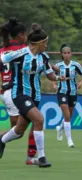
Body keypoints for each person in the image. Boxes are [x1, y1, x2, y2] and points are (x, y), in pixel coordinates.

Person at [0, 23, 65, 168]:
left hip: (35, 97)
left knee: (19, 130)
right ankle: (41, 157)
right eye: (45, 43)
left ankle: (2, 140)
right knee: (39, 119)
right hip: (20, 94)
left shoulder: (44, 58)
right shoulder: (20, 53)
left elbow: (49, 75)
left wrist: (59, 77)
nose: (47, 45)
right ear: (39, 43)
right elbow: (2, 60)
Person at [0, 18, 38, 165]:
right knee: (31, 124)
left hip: (6, 93)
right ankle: (32, 157)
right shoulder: (21, 50)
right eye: (26, 34)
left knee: (17, 130)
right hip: (15, 92)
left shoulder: (3, 50)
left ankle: (31, 157)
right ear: (21, 35)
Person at [53, 44, 82, 148]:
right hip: (62, 92)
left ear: (71, 54)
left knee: (69, 116)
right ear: (62, 55)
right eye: (65, 53)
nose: (67, 55)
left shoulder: (75, 65)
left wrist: (81, 83)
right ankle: (69, 140)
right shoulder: (58, 66)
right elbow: (52, 76)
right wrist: (54, 84)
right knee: (67, 116)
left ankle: (59, 128)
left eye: (69, 53)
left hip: (73, 92)